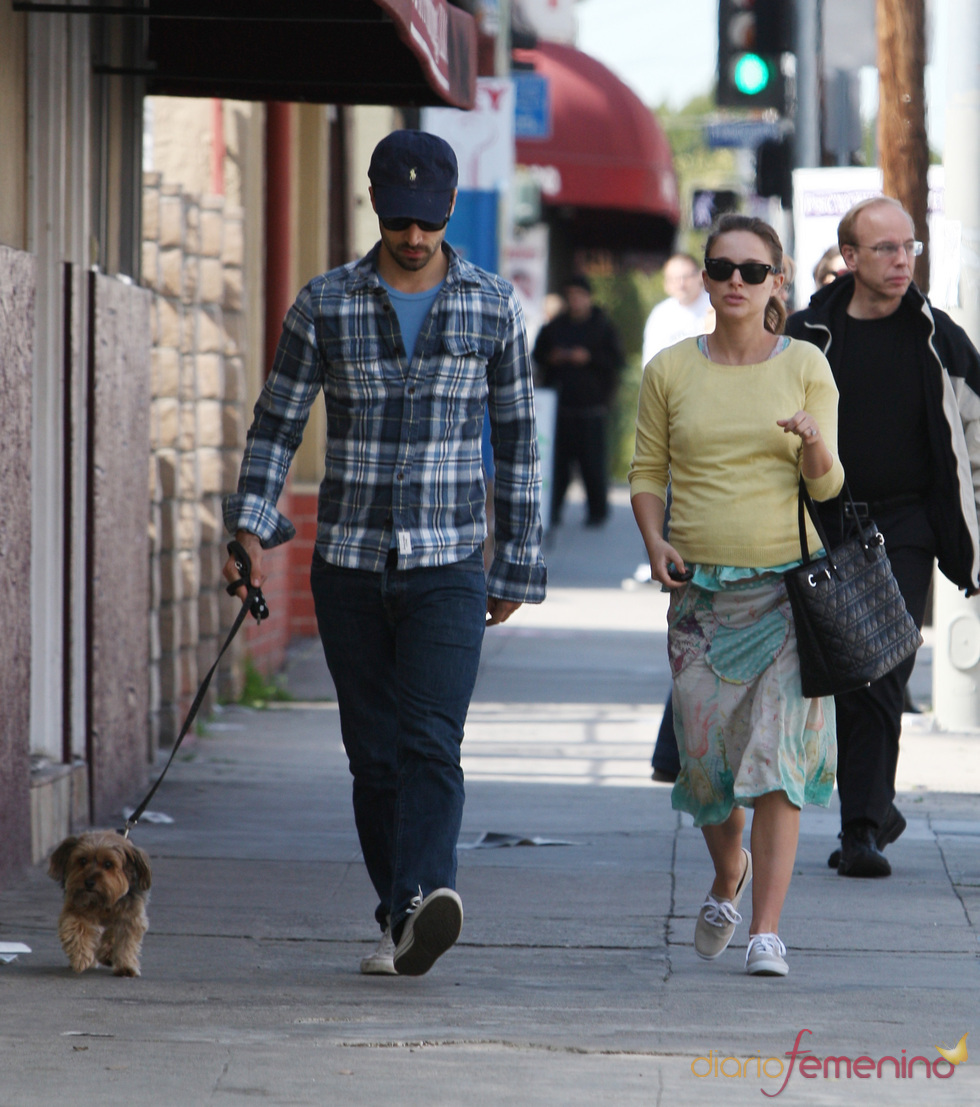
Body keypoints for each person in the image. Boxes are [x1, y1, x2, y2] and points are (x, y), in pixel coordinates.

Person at [222, 130, 547, 976]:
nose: (413, 238)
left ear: (447, 212)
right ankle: (398, 911)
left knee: (431, 741)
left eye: (428, 222)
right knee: (374, 753)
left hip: (448, 561)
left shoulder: (490, 304)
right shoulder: (324, 303)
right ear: (377, 207)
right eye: (400, 221)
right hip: (352, 565)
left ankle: (423, 899)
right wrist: (251, 531)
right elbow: (278, 423)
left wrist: (514, 563)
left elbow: (516, 440)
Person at [630, 214, 844, 977]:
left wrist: (814, 439)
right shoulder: (670, 370)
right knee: (705, 766)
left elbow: (830, 482)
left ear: (777, 283)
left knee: (778, 759)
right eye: (722, 268)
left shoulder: (808, 364)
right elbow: (647, 470)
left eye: (752, 272)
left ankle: (767, 931)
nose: (734, 283)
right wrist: (655, 542)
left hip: (789, 593)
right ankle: (729, 872)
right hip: (699, 599)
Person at [786, 195, 980, 878]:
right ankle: (869, 807)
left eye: (909, 248)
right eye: (887, 249)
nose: (903, 261)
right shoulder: (806, 332)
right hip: (818, 517)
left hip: (902, 522)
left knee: (882, 664)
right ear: (850, 259)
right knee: (838, 671)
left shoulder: (939, 336)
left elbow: (975, 435)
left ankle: (861, 826)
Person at [533, 274, 624, 527]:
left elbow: (616, 361)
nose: (575, 301)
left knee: (593, 464)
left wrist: (589, 358)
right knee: (558, 464)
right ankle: (553, 510)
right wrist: (555, 357)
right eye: (570, 296)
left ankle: (597, 512)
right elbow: (539, 353)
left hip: (592, 406)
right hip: (561, 406)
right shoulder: (556, 325)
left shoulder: (602, 326)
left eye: (579, 296)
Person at [641, 253, 714, 367]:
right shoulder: (660, 315)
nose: (681, 284)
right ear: (665, 284)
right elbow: (651, 361)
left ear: (700, 276)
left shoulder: (715, 307)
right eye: (674, 279)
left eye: (685, 277)